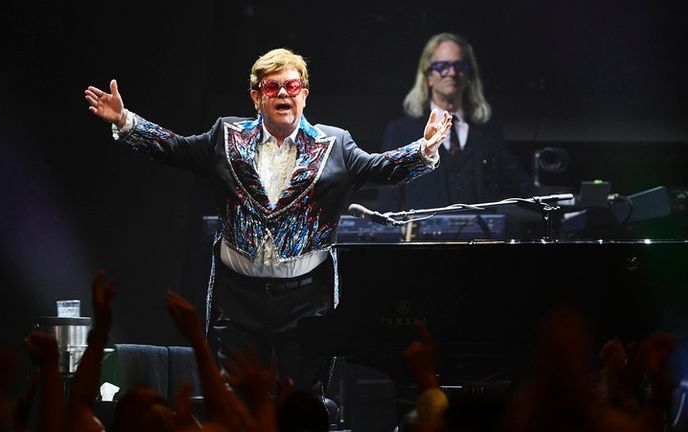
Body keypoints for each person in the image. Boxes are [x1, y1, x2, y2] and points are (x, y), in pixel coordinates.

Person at [84, 47, 452, 395]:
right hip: (238, 299)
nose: (283, 94)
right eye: (272, 86)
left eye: (292, 85)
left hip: (306, 301)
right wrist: (126, 121)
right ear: (256, 97)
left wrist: (425, 149)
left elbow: (380, 168)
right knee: (235, 399)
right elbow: (175, 148)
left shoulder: (335, 145)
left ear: (304, 94)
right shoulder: (225, 138)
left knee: (304, 401)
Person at [378, 33, 530, 232]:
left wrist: (564, 206)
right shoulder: (401, 131)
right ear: (428, 76)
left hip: (482, 247)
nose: (451, 73)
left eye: (459, 66)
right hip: (422, 250)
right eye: (442, 67)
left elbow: (516, 184)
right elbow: (389, 200)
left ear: (468, 76)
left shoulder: (488, 131)